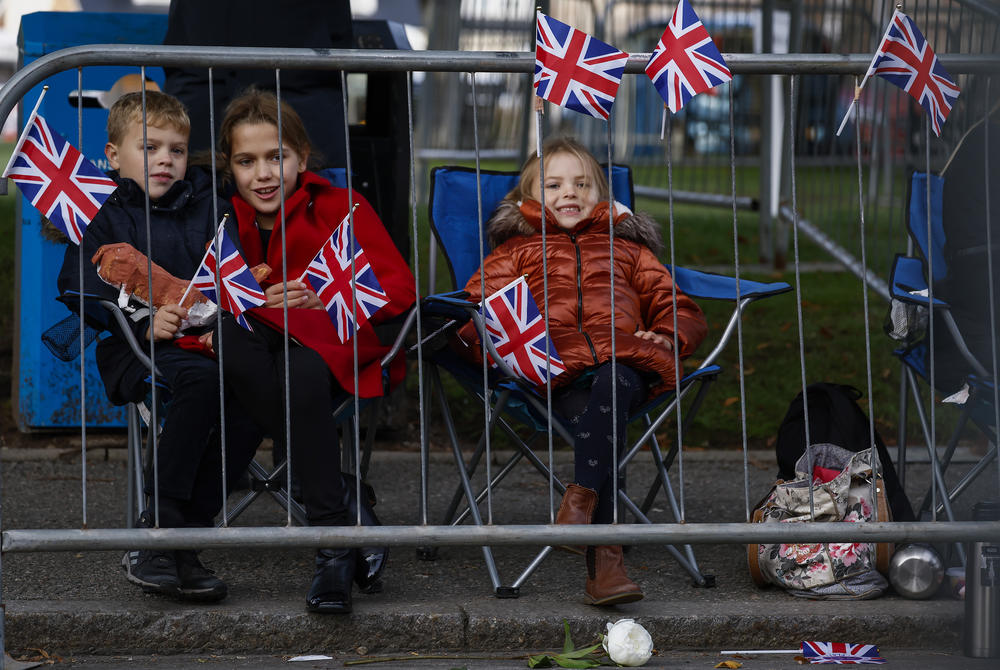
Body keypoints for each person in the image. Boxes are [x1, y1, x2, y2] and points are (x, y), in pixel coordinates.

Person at [454, 137, 708, 606]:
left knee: (611, 388)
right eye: (553, 185)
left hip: (626, 363)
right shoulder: (513, 253)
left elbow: (675, 303)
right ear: (528, 200)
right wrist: (493, 348)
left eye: (582, 183)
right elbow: (477, 311)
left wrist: (669, 335)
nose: (568, 193)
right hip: (554, 370)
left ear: (602, 196)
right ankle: (605, 563)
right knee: (601, 417)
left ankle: (579, 507)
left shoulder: (628, 250)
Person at [204, 88, 415, 613]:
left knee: (299, 366)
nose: (264, 173)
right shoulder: (222, 221)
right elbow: (197, 296)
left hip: (328, 345)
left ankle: (330, 545)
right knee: (234, 339)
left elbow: (402, 291)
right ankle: (342, 508)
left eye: (277, 156)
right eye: (247, 161)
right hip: (254, 350)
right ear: (229, 168)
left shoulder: (342, 206)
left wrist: (329, 293)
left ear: (302, 156)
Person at [56, 90, 262, 603]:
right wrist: (146, 321)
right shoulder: (103, 212)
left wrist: (229, 301)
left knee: (258, 388)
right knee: (196, 384)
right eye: (149, 148)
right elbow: (84, 288)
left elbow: (229, 277)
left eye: (176, 149)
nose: (165, 159)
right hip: (141, 345)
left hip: (212, 335)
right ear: (113, 156)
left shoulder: (211, 208)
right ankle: (161, 535)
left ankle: (183, 532)